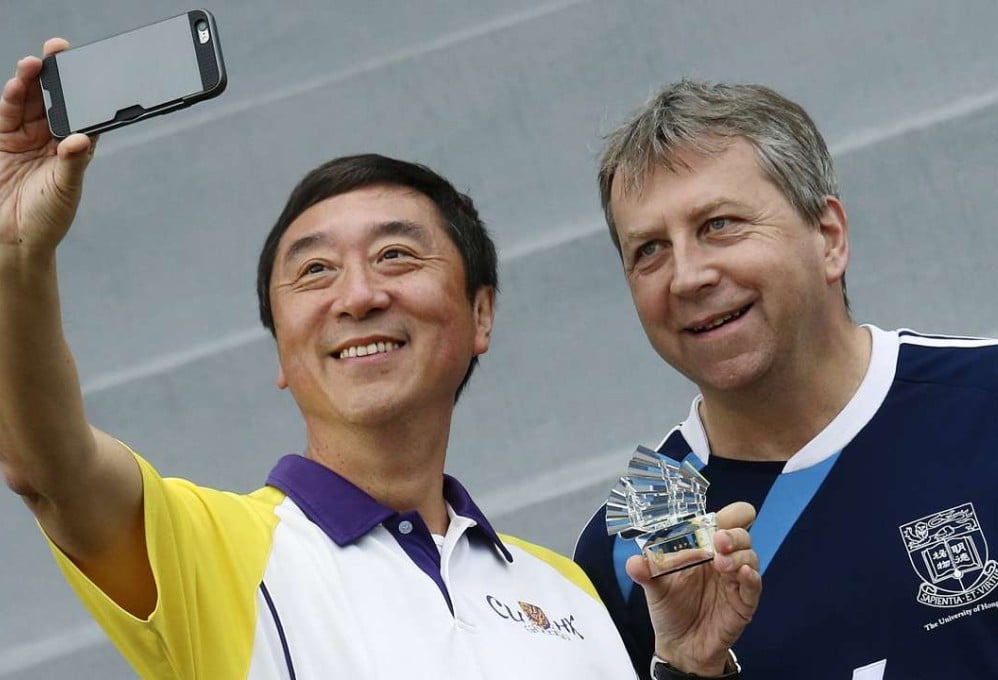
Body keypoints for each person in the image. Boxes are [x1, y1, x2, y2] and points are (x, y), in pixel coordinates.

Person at [0, 41, 761, 679]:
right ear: (282, 350)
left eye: (396, 254)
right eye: (315, 271)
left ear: (480, 313)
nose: (358, 296)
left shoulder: (569, 592)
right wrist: (13, 259)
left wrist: (690, 669)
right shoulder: (211, 550)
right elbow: (45, 462)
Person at [573, 78, 998, 679]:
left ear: (829, 238)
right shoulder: (631, 544)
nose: (686, 277)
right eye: (649, 249)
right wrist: (687, 669)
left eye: (719, 225)